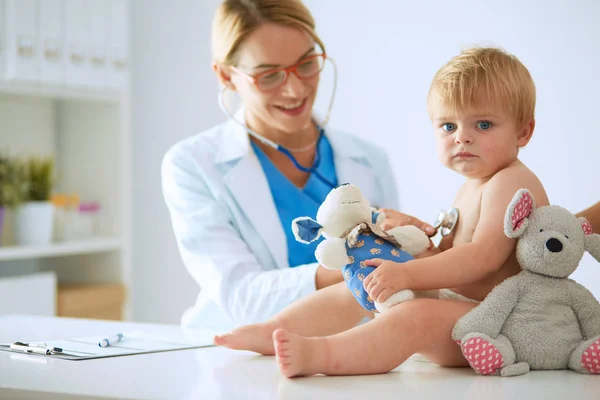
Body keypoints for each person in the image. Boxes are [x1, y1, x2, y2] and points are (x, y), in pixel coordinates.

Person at [214, 46, 551, 378]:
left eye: (484, 125)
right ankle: (270, 331)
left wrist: (407, 274)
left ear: (523, 131)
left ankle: (321, 355)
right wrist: (419, 250)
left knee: (414, 316)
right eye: (448, 126)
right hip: (465, 305)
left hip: (501, 324)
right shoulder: (472, 185)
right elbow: (454, 258)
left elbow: (482, 259)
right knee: (357, 285)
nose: (462, 138)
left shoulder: (511, 182)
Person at [161, 0, 433, 331]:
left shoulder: (370, 159)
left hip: (354, 350)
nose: (295, 89)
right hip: (236, 356)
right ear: (226, 76)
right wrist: (370, 256)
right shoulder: (192, 165)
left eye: (306, 64)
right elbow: (241, 296)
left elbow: (391, 291)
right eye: (269, 75)